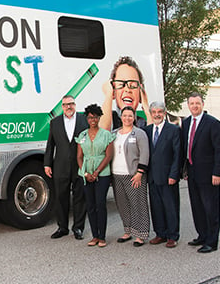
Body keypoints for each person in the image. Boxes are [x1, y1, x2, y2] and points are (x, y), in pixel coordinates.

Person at [44, 95, 88, 240]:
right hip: (60, 166)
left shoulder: (84, 120)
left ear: (75, 105)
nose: (69, 107)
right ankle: (62, 228)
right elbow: (51, 145)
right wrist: (47, 164)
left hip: (79, 166)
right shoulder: (55, 122)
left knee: (79, 198)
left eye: (71, 104)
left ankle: (78, 228)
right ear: (61, 107)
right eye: (65, 105)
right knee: (61, 197)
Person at [182, 92, 220, 253]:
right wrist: (184, 170)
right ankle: (202, 235)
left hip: (209, 174)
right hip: (192, 172)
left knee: (210, 208)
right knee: (197, 207)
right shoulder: (186, 123)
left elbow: (219, 150)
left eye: (197, 103)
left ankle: (212, 241)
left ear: (202, 104)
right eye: (192, 103)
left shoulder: (213, 123)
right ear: (188, 105)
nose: (194, 106)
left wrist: (217, 173)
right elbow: (186, 148)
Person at [76, 104, 115, 247]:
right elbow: (79, 157)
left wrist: (97, 171)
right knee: (90, 205)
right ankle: (95, 236)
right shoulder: (82, 135)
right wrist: (85, 173)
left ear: (99, 118)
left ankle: (102, 237)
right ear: (87, 118)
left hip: (102, 174)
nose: (93, 119)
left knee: (100, 203)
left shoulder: (106, 135)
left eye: (95, 117)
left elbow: (108, 155)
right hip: (86, 175)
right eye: (90, 117)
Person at [144, 101, 181, 248]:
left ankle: (172, 235)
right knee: (156, 206)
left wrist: (174, 175)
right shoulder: (147, 130)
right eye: (154, 112)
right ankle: (160, 233)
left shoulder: (173, 130)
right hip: (152, 177)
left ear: (164, 113)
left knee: (170, 206)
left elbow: (178, 154)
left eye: (160, 112)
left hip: (168, 176)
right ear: (151, 114)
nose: (157, 114)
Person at [111, 106, 150, 247]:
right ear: (121, 117)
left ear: (134, 118)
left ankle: (141, 234)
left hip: (133, 175)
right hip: (117, 175)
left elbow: (145, 154)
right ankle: (127, 231)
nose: (127, 118)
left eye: (130, 116)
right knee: (123, 205)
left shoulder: (139, 134)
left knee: (138, 204)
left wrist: (140, 173)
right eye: (124, 115)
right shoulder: (114, 133)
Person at [99, 56, 151, 131]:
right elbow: (102, 136)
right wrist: (108, 96)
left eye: (133, 85)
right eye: (121, 84)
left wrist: (146, 108)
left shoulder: (143, 123)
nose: (127, 89)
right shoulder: (110, 118)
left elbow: (154, 139)